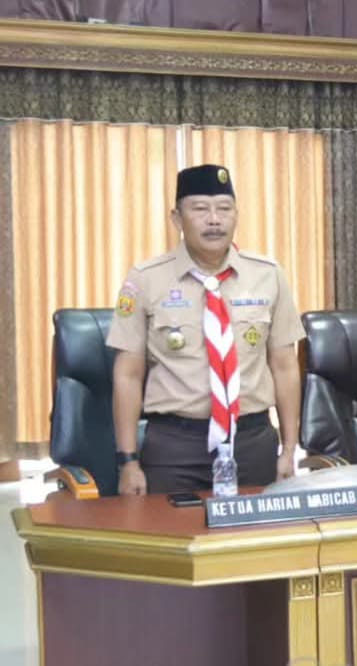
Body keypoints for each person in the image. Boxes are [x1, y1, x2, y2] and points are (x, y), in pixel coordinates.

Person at [108, 164, 306, 495]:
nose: (214, 220)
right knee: (171, 527)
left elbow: (285, 366)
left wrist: (288, 449)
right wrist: (127, 462)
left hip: (252, 441)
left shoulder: (268, 275)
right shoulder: (145, 279)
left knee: (257, 529)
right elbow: (127, 374)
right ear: (176, 219)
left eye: (224, 209)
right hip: (174, 446)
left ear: (236, 215)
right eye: (200, 209)